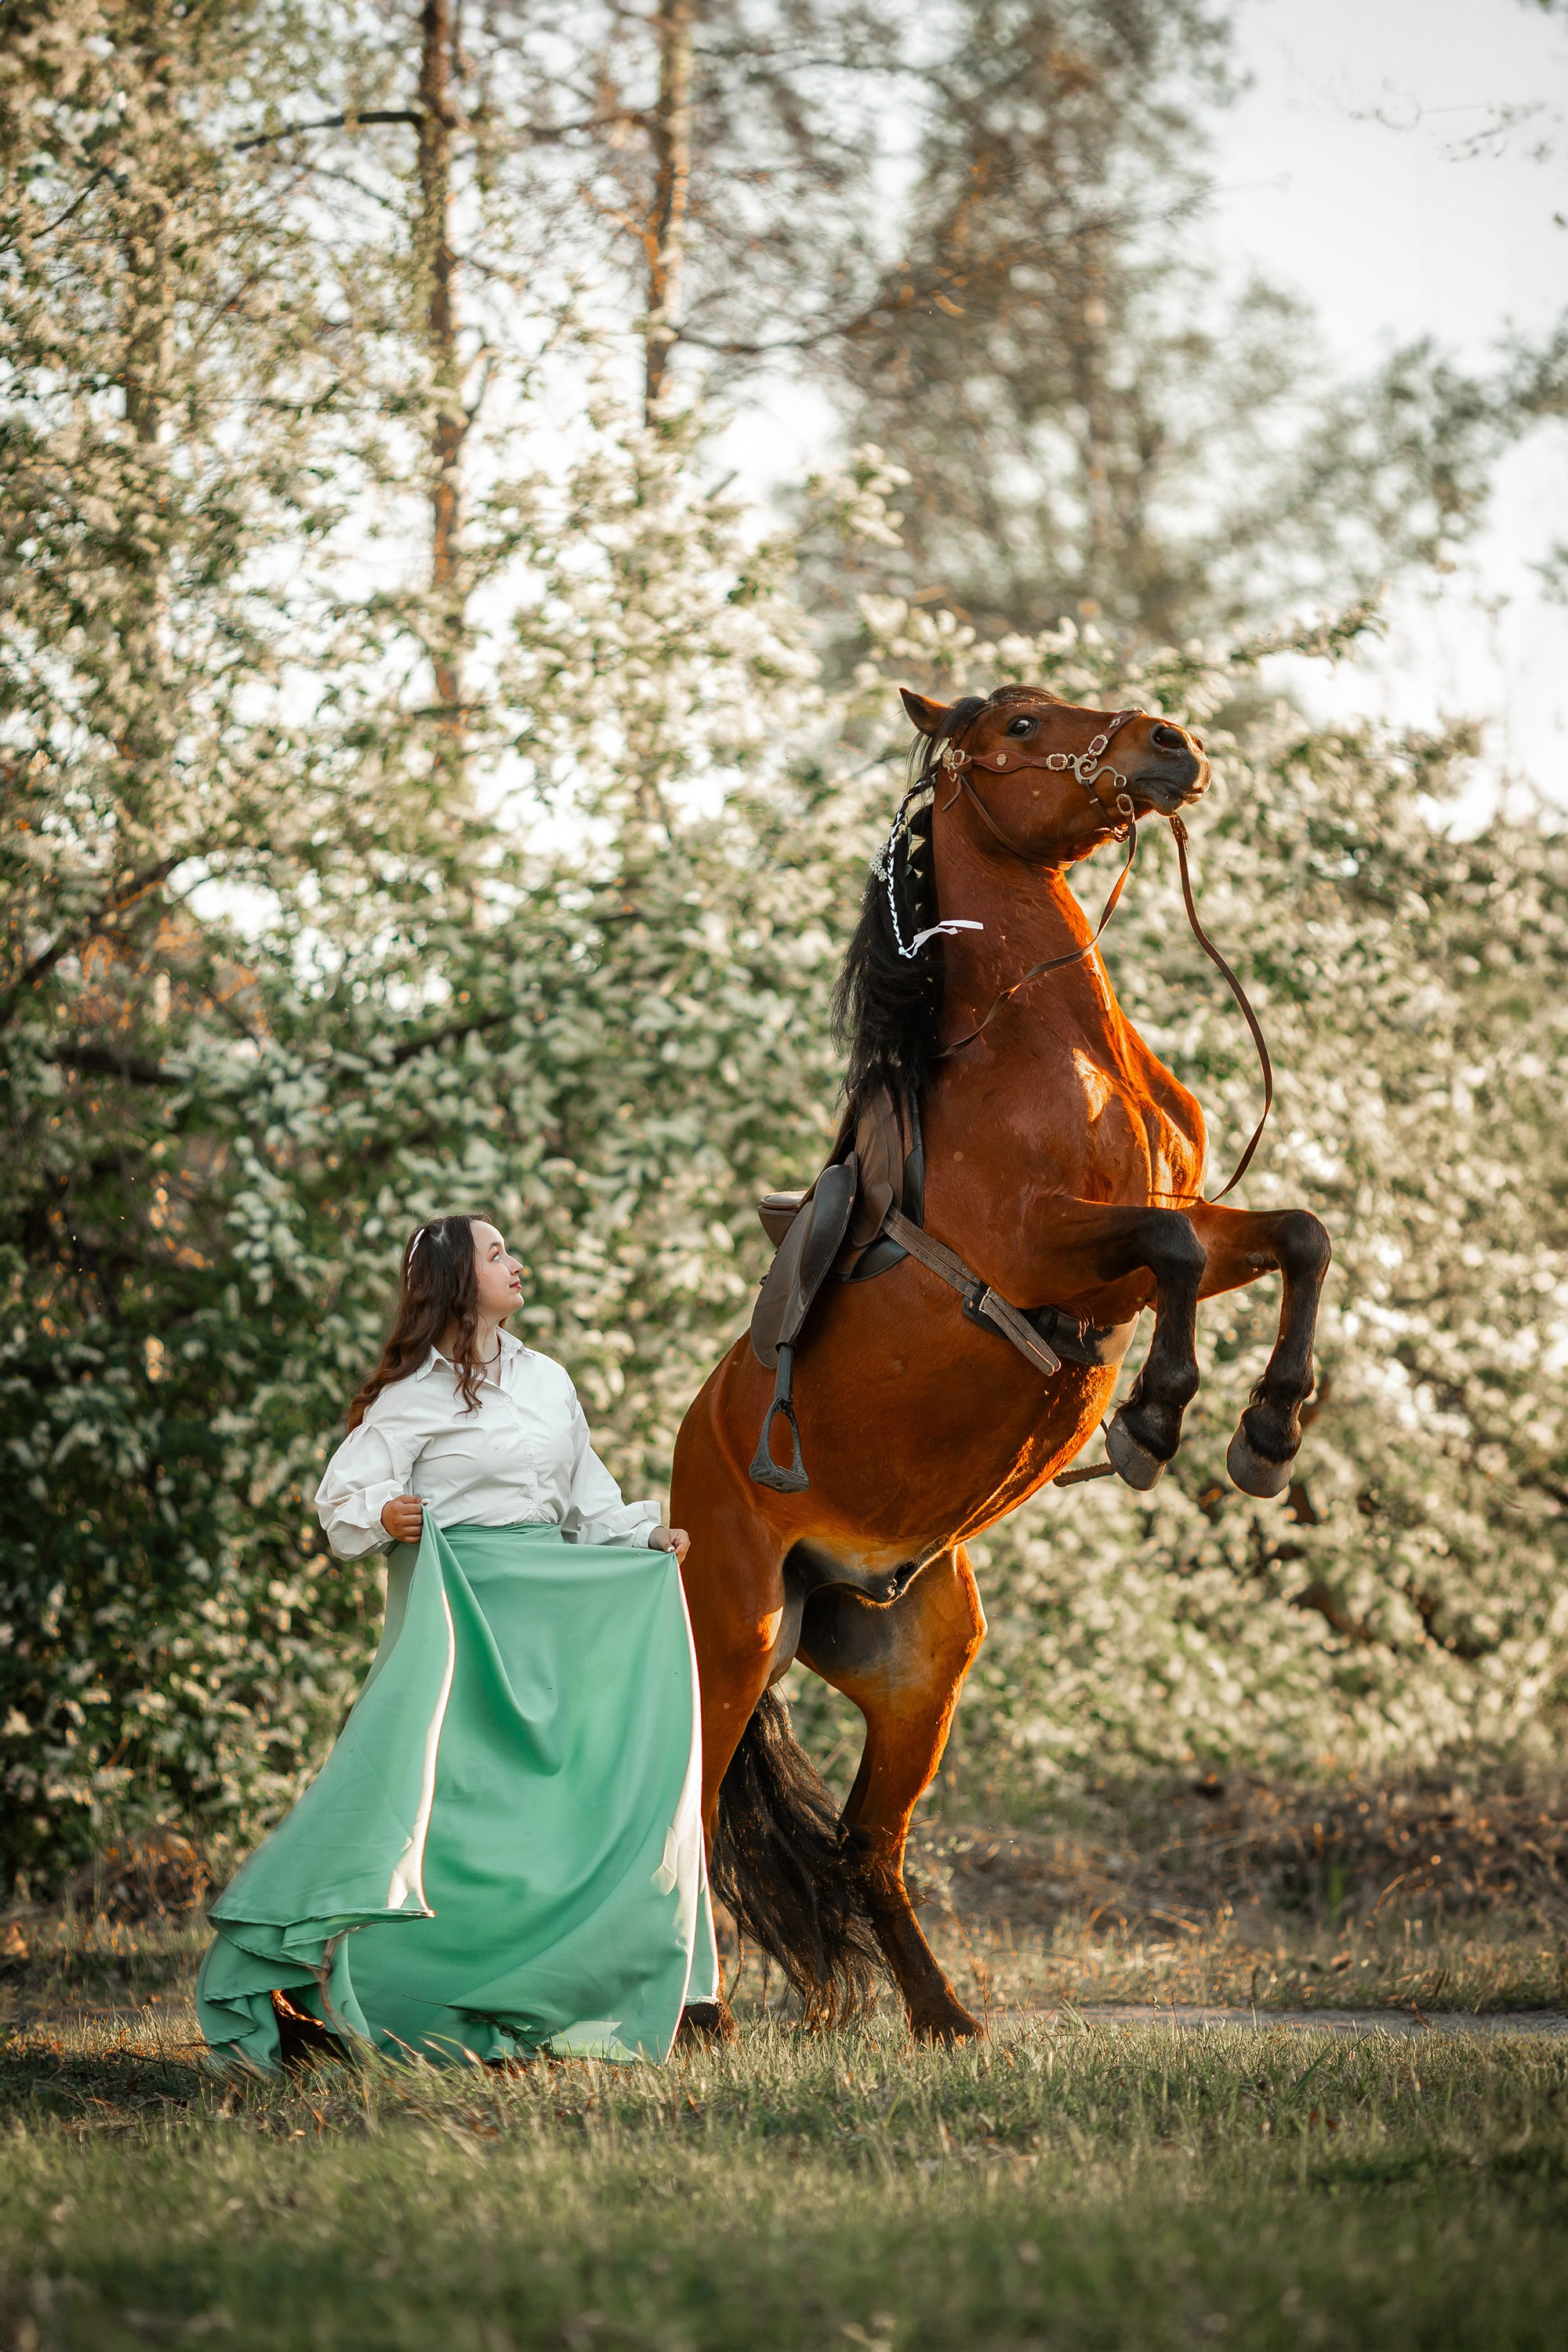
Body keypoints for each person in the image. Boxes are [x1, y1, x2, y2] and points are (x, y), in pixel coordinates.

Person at [197, 1214, 718, 2069]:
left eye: (512, 1246)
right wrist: (386, 1513)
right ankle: (380, 1997)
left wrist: (640, 1538)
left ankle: (561, 1992)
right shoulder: (411, 1396)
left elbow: (585, 1495)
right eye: (496, 1251)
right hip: (459, 1615)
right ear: (450, 1277)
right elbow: (345, 1500)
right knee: (443, 1806)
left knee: (549, 1808)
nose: (516, 1262)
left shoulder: (548, 1381)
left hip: (550, 1615)